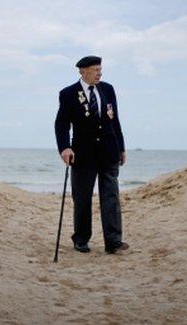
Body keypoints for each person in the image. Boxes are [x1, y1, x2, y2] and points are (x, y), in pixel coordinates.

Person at [55, 55, 129, 254]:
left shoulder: (108, 89)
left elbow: (115, 121)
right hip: (83, 156)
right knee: (82, 199)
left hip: (109, 152)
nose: (100, 73)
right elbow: (61, 124)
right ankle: (81, 239)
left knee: (111, 198)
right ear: (83, 71)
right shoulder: (68, 93)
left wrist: (121, 147)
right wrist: (64, 148)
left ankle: (113, 242)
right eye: (96, 70)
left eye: (100, 69)